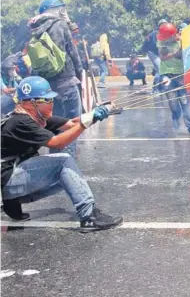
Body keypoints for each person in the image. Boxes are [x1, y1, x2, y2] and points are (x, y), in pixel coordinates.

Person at [1, 76, 123, 232]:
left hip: (9, 180)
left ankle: (13, 202)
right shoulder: (21, 122)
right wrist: (87, 122)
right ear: (32, 102)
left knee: (68, 178)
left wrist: (95, 114)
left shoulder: (34, 117)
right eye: (48, 100)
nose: (52, 103)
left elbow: (71, 123)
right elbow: (57, 142)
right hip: (7, 180)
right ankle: (89, 217)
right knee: (64, 162)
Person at [28, 0, 84, 156]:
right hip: (67, 83)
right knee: (72, 125)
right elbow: (72, 52)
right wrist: (79, 74)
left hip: (48, 88)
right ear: (57, 10)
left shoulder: (35, 27)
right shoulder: (60, 25)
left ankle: (55, 160)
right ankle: (67, 163)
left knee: (56, 125)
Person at [157, 22, 190, 137]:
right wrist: (174, 53)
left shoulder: (182, 41)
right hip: (166, 76)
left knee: (185, 102)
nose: (164, 39)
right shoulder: (161, 41)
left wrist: (183, 44)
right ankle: (176, 121)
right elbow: (162, 57)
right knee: (173, 103)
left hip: (180, 75)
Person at [142, 19, 167, 94]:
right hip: (153, 53)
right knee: (159, 70)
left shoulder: (165, 33)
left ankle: (160, 87)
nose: (164, 26)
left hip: (158, 53)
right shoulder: (156, 33)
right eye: (162, 24)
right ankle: (155, 89)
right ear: (159, 26)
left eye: (165, 24)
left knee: (161, 70)